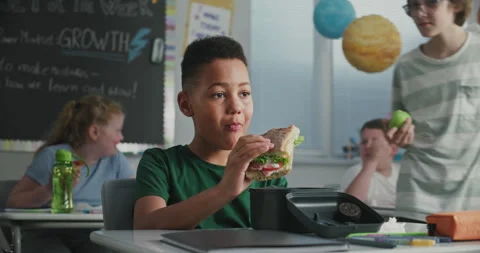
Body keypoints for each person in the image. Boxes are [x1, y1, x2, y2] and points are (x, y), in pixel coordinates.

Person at [133, 36, 288, 230]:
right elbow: (144, 227)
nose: (236, 107)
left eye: (244, 93)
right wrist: (225, 190)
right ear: (186, 104)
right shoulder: (161, 163)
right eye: (219, 95)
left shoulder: (266, 170)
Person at [6, 94, 134, 253]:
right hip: (45, 235)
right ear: (94, 132)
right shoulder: (52, 156)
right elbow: (13, 202)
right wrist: (48, 190)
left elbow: (135, 197)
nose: (121, 137)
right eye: (117, 131)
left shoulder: (116, 161)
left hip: (93, 235)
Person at [388, 0, 480, 221]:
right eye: (413, 5)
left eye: (430, 3)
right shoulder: (406, 66)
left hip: (472, 198)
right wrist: (400, 137)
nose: (420, 13)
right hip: (416, 199)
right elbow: (397, 128)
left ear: (456, 5)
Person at [340, 119, 400, 209]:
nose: (368, 146)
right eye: (364, 142)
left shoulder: (401, 174)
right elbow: (349, 208)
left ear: (393, 149)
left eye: (375, 141)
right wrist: (372, 161)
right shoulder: (355, 172)